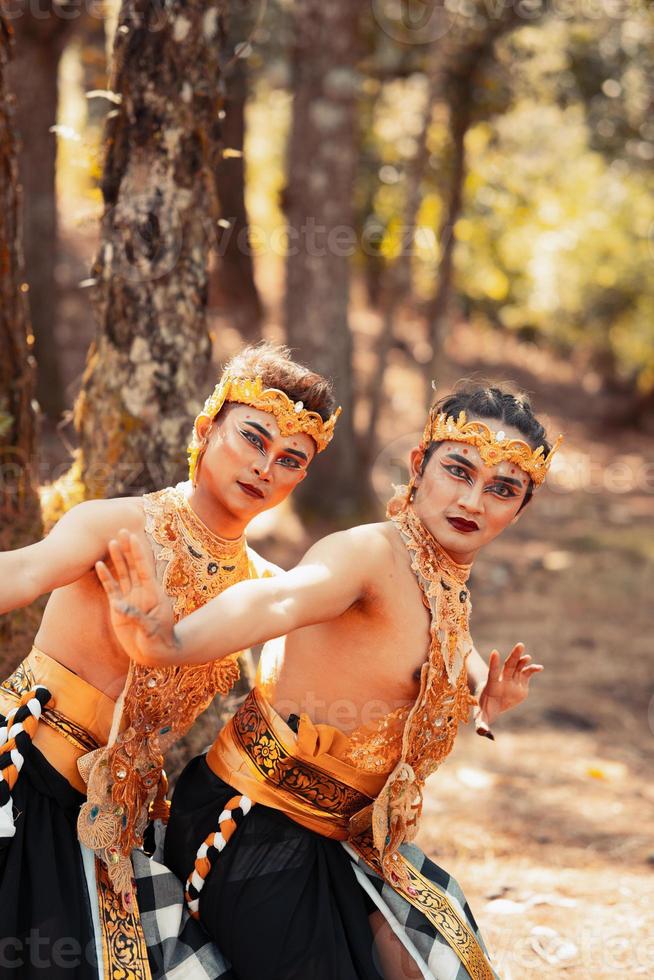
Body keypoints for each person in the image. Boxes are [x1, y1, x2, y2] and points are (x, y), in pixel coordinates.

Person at [99, 384, 561, 980]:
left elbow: (451, 640)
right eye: (458, 471)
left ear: (519, 508)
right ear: (418, 467)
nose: (472, 500)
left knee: (435, 965)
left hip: (347, 837)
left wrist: (482, 692)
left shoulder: (443, 577)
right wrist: (170, 643)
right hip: (251, 822)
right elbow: (280, 598)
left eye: (502, 489)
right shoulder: (367, 553)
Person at [0, 342, 339, 979]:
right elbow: (18, 572)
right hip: (23, 775)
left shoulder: (261, 588)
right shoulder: (116, 525)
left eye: (290, 459)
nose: (265, 466)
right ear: (206, 429)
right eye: (253, 438)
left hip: (112, 825)